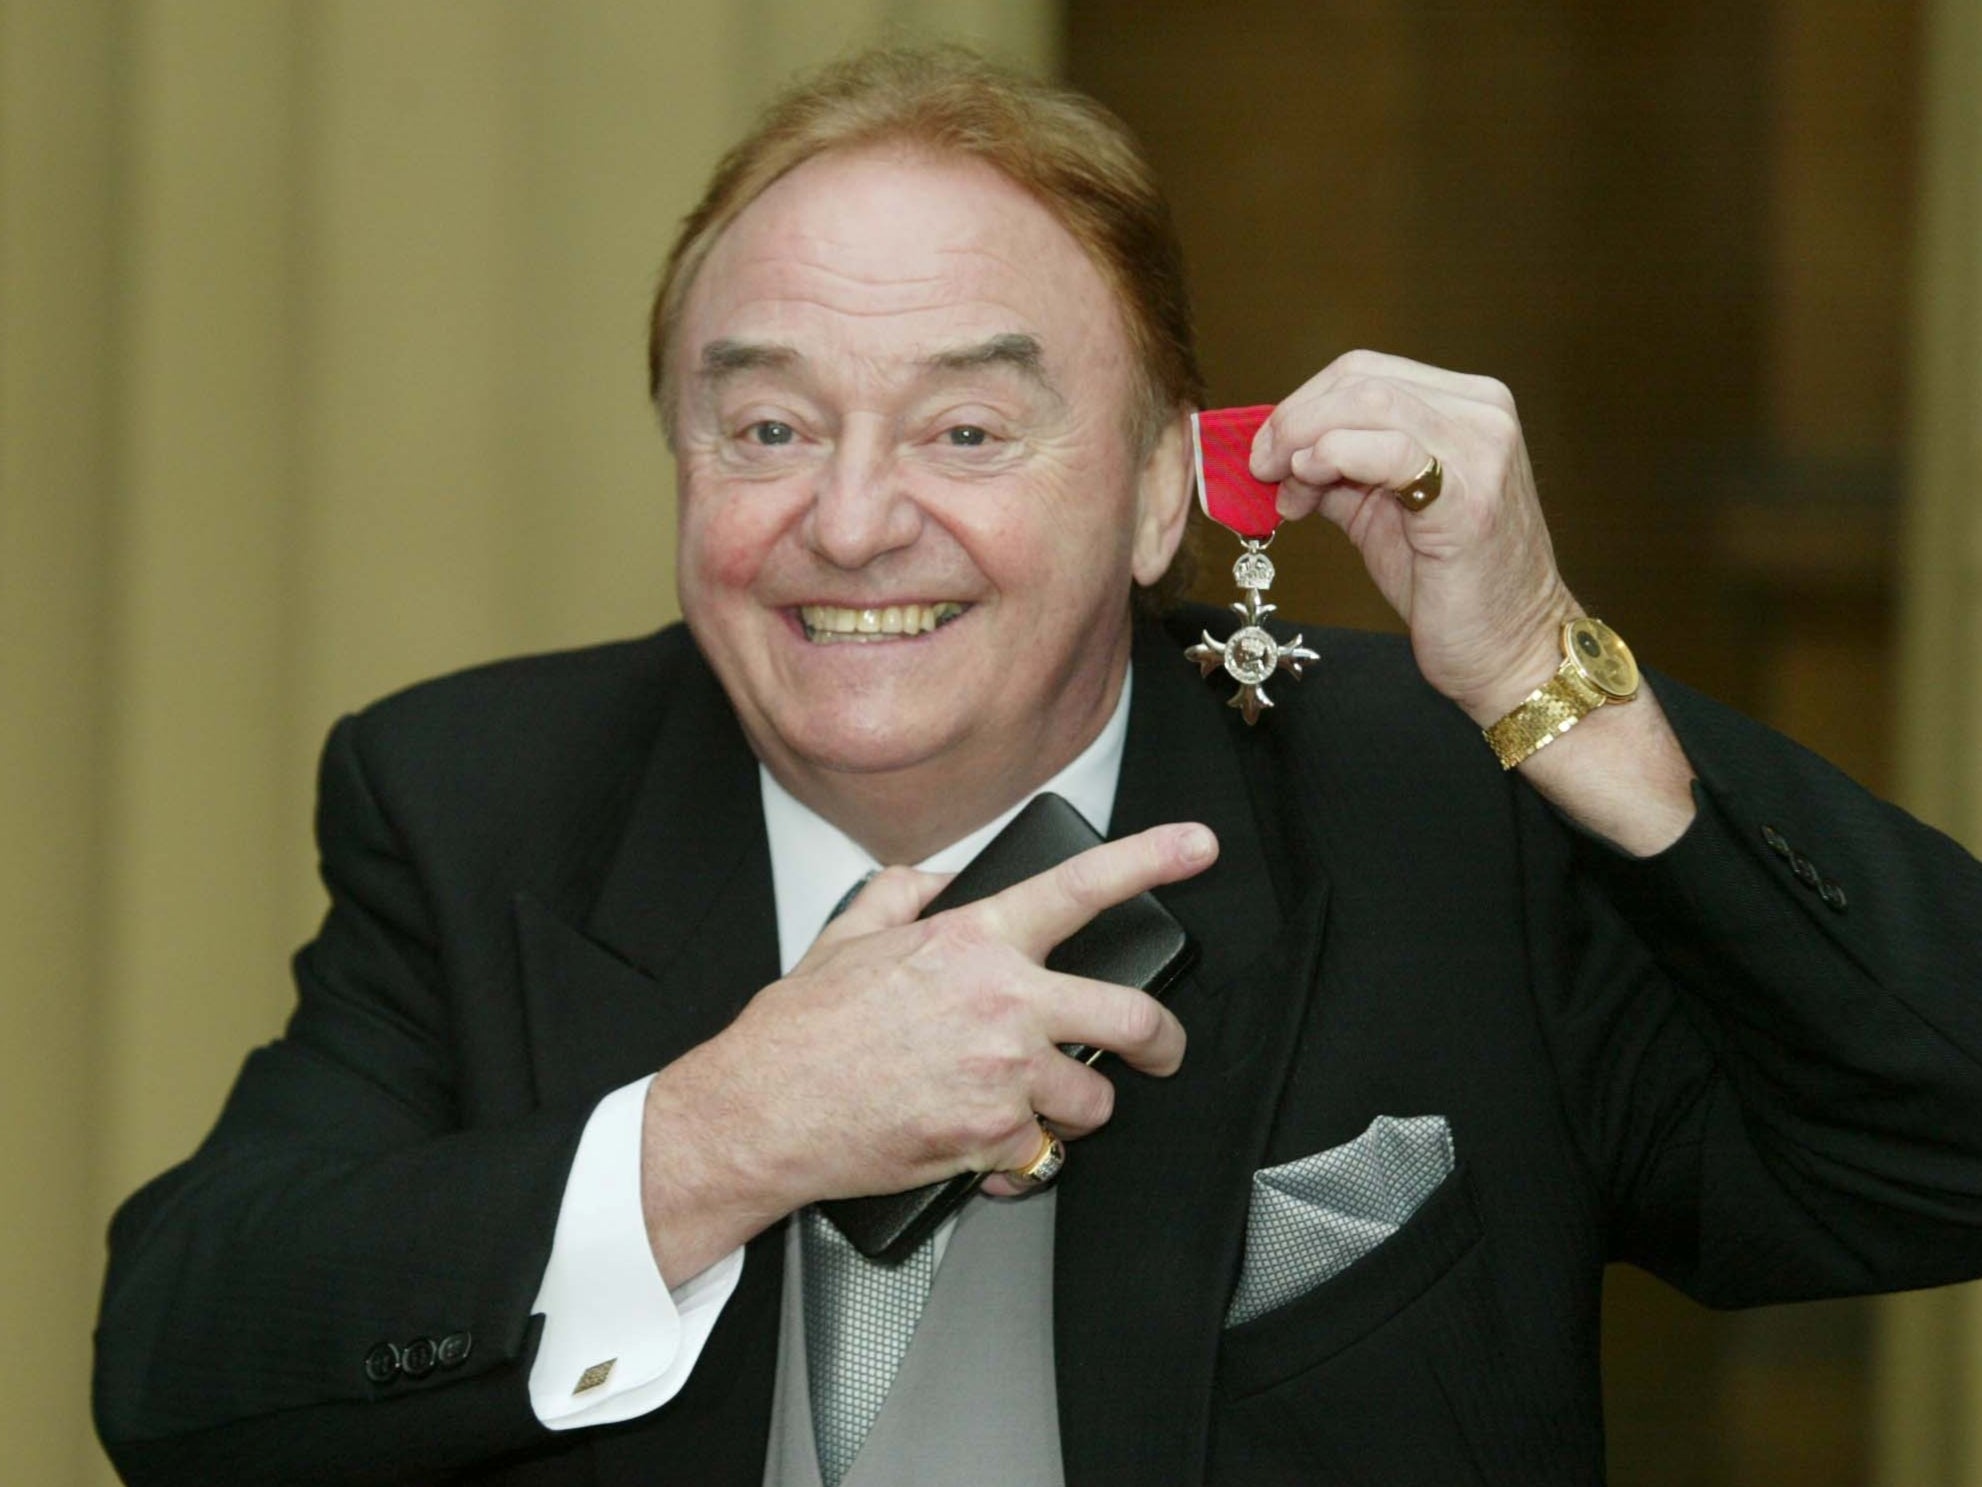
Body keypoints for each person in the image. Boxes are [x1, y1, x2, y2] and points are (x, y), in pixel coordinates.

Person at [93, 45, 1982, 1487]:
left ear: (1167, 483)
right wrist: (722, 1136)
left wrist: (1549, 685)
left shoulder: (1431, 805)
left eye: (968, 428)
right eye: (764, 425)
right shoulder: (475, 794)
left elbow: (1940, 1151)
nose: (849, 522)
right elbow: (184, 1371)